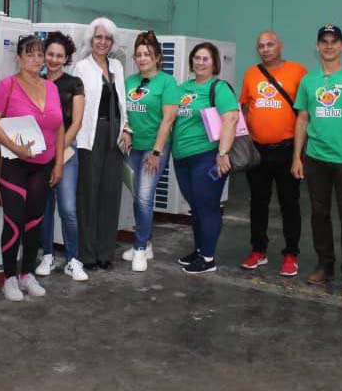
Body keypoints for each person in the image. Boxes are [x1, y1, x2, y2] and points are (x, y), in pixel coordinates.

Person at [292, 24, 342, 298]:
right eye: (324, 41)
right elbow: (302, 118)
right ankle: (325, 265)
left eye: (334, 41)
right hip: (315, 158)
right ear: (317, 46)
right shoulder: (309, 80)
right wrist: (297, 157)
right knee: (319, 214)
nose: (329, 46)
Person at [0, 35, 65, 301]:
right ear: (18, 58)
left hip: (43, 166)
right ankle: (9, 277)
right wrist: (15, 147)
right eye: (29, 54)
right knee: (14, 221)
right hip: (14, 164)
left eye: (40, 54)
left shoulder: (51, 88)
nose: (36, 59)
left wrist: (58, 164)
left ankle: (26, 274)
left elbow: (60, 127)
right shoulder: (6, 86)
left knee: (34, 222)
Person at [238, 31, 308, 277]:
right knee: (258, 202)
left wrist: (299, 154)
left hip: (287, 149)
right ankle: (258, 250)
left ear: (280, 46)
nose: (265, 49)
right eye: (261, 46)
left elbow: (305, 112)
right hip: (257, 151)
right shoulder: (251, 73)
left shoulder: (298, 71)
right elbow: (244, 107)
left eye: (270, 44)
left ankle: (291, 254)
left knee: (290, 203)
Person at [172, 42, 239, 275]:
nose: (200, 62)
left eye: (205, 59)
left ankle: (208, 258)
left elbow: (231, 119)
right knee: (196, 206)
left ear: (214, 63)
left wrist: (222, 153)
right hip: (182, 158)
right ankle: (200, 250)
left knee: (207, 205)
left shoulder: (218, 88)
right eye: (197, 58)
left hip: (208, 157)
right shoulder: (182, 88)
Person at [73, 18, 129, 270]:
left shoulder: (117, 66)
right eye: (98, 37)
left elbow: (123, 103)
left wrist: (126, 129)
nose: (102, 42)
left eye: (107, 38)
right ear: (91, 39)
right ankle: (87, 254)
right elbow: (77, 106)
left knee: (111, 194)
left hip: (115, 135)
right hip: (90, 135)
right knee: (88, 195)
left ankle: (106, 253)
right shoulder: (81, 67)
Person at [121, 30, 178, 272]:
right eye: (139, 54)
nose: (142, 58)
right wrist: (126, 130)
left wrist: (156, 152)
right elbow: (124, 112)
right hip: (132, 147)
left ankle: (140, 248)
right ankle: (147, 243)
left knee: (145, 197)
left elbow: (168, 119)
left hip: (155, 148)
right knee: (137, 196)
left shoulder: (167, 82)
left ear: (157, 57)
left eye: (147, 54)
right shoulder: (129, 81)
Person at [35, 31, 88, 282]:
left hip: (66, 152)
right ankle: (47, 255)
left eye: (59, 55)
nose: (54, 59)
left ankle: (73, 260)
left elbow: (76, 122)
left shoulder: (74, 83)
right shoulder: (35, 81)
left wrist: (58, 151)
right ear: (44, 55)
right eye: (50, 54)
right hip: (39, 152)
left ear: (66, 58)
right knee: (45, 207)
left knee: (67, 208)